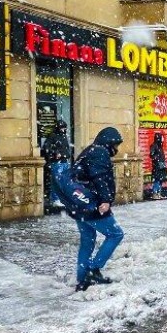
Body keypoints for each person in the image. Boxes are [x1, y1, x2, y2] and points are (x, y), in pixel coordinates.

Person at [70, 127, 125, 292]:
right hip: (93, 204)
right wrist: (105, 200)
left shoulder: (88, 151)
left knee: (87, 240)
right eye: (116, 144)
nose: (116, 149)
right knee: (115, 234)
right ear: (109, 142)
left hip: (78, 203)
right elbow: (99, 177)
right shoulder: (99, 152)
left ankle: (82, 280)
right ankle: (93, 270)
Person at [42, 119, 72, 208]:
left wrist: (67, 156)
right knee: (57, 181)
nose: (63, 129)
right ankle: (55, 199)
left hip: (65, 161)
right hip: (57, 162)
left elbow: (66, 148)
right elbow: (46, 147)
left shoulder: (64, 136)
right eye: (62, 128)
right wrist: (55, 153)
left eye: (64, 128)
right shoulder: (53, 136)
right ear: (58, 128)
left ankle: (61, 199)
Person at [149, 133, 167, 200]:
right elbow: (151, 155)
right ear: (158, 138)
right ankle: (154, 194)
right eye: (162, 137)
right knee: (157, 180)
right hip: (157, 166)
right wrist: (157, 158)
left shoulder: (160, 146)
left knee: (161, 180)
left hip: (162, 165)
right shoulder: (153, 145)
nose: (163, 139)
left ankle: (159, 194)